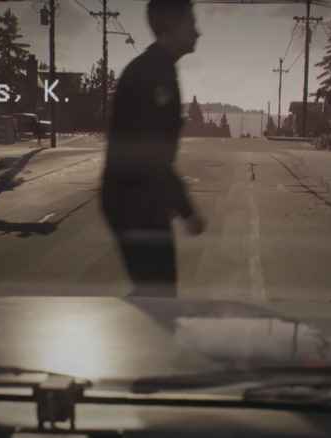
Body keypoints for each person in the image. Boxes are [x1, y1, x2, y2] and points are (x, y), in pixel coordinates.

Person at [100, 0, 204, 298]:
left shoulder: (158, 69)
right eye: (191, 23)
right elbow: (151, 155)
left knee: (156, 294)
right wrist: (186, 210)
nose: (197, 32)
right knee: (159, 296)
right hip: (132, 202)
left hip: (138, 199)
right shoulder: (152, 73)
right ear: (173, 26)